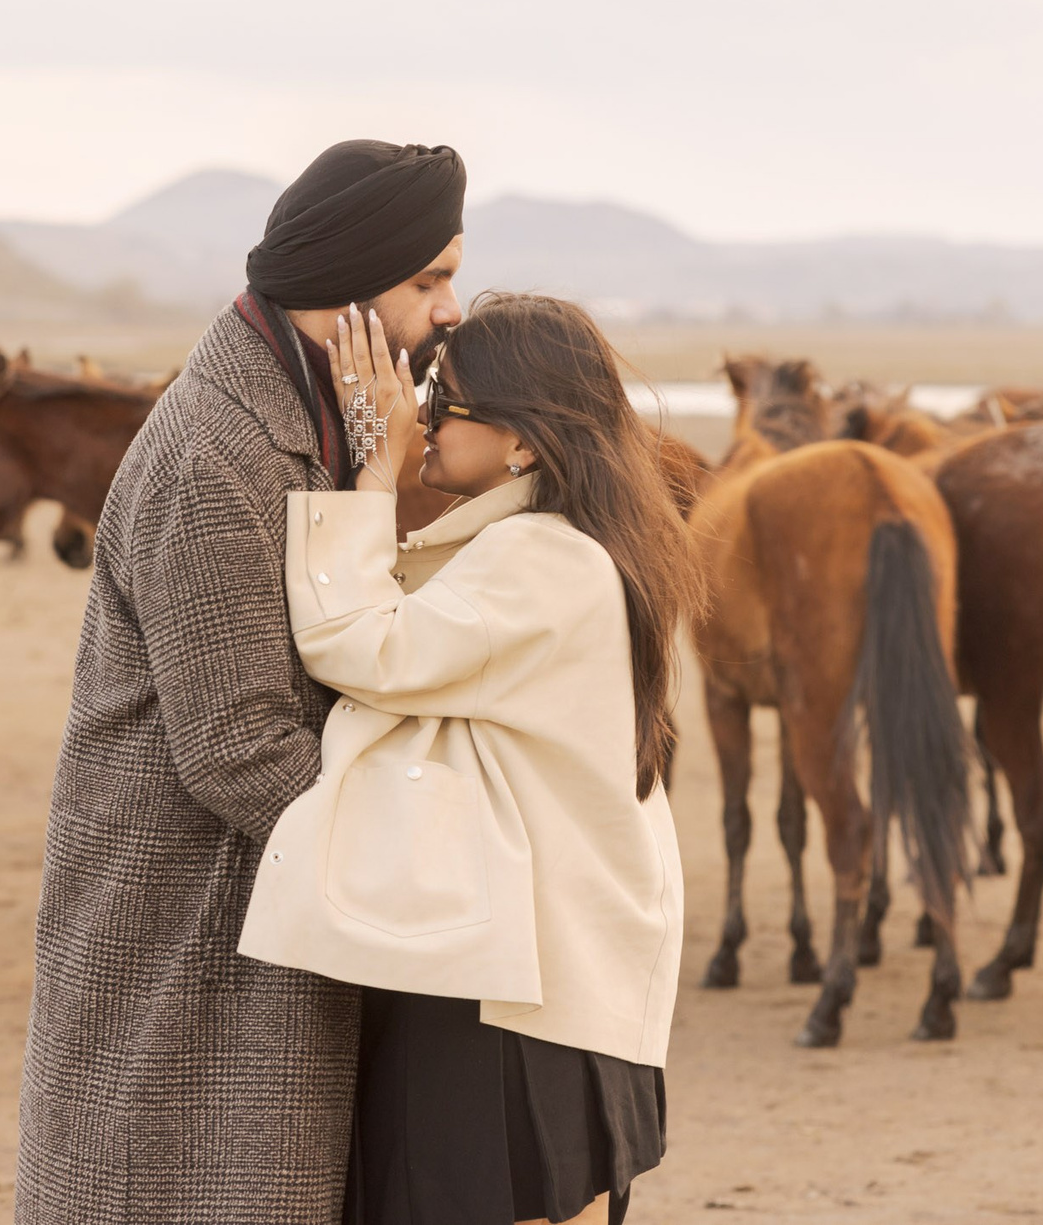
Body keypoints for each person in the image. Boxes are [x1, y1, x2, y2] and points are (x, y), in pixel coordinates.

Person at [14, 140, 467, 1225]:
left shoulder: (300, 412)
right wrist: (434, 859)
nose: (451, 310)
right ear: (348, 291)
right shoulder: (217, 455)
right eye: (429, 281)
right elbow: (238, 747)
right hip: (186, 923)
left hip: (248, 908)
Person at [240, 292, 701, 1225]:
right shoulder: (573, 543)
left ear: (524, 437)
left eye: (444, 399)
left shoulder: (543, 557)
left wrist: (374, 469)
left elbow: (363, 646)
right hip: (542, 978)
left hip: (516, 995)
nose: (424, 417)